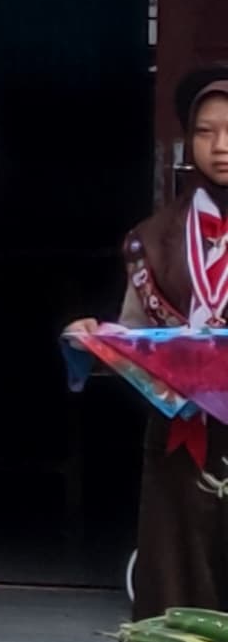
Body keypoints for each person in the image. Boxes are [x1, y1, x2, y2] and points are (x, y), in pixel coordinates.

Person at [72, 63, 228, 611]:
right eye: (206, 131)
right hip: (183, 435)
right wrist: (101, 339)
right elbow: (139, 335)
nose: (220, 146)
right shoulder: (154, 237)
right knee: (179, 577)